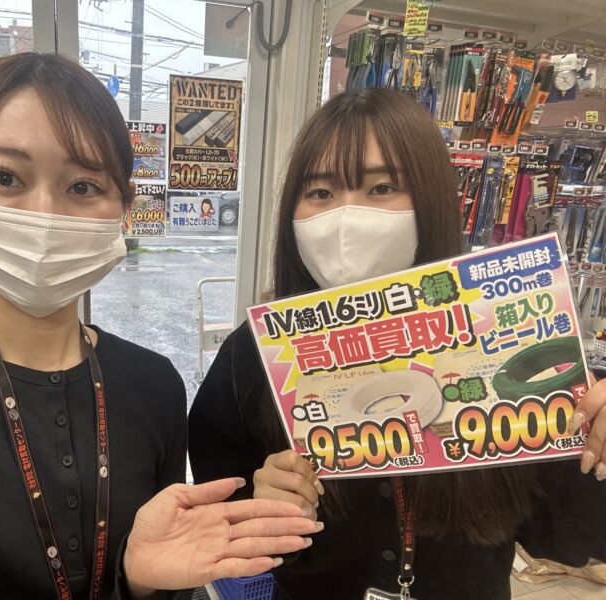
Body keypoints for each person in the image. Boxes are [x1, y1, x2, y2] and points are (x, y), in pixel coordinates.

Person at [0, 53, 321, 600]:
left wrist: (140, 582)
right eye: (4, 177)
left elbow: (162, 569)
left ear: (123, 205)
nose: (44, 213)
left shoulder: (154, 386)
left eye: (82, 186)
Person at [188, 88, 606, 600]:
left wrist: (596, 450)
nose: (346, 218)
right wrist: (265, 509)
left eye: (381, 187)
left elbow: (571, 538)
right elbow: (220, 524)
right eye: (320, 192)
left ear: (431, 198)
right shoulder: (250, 356)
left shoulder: (505, 339)